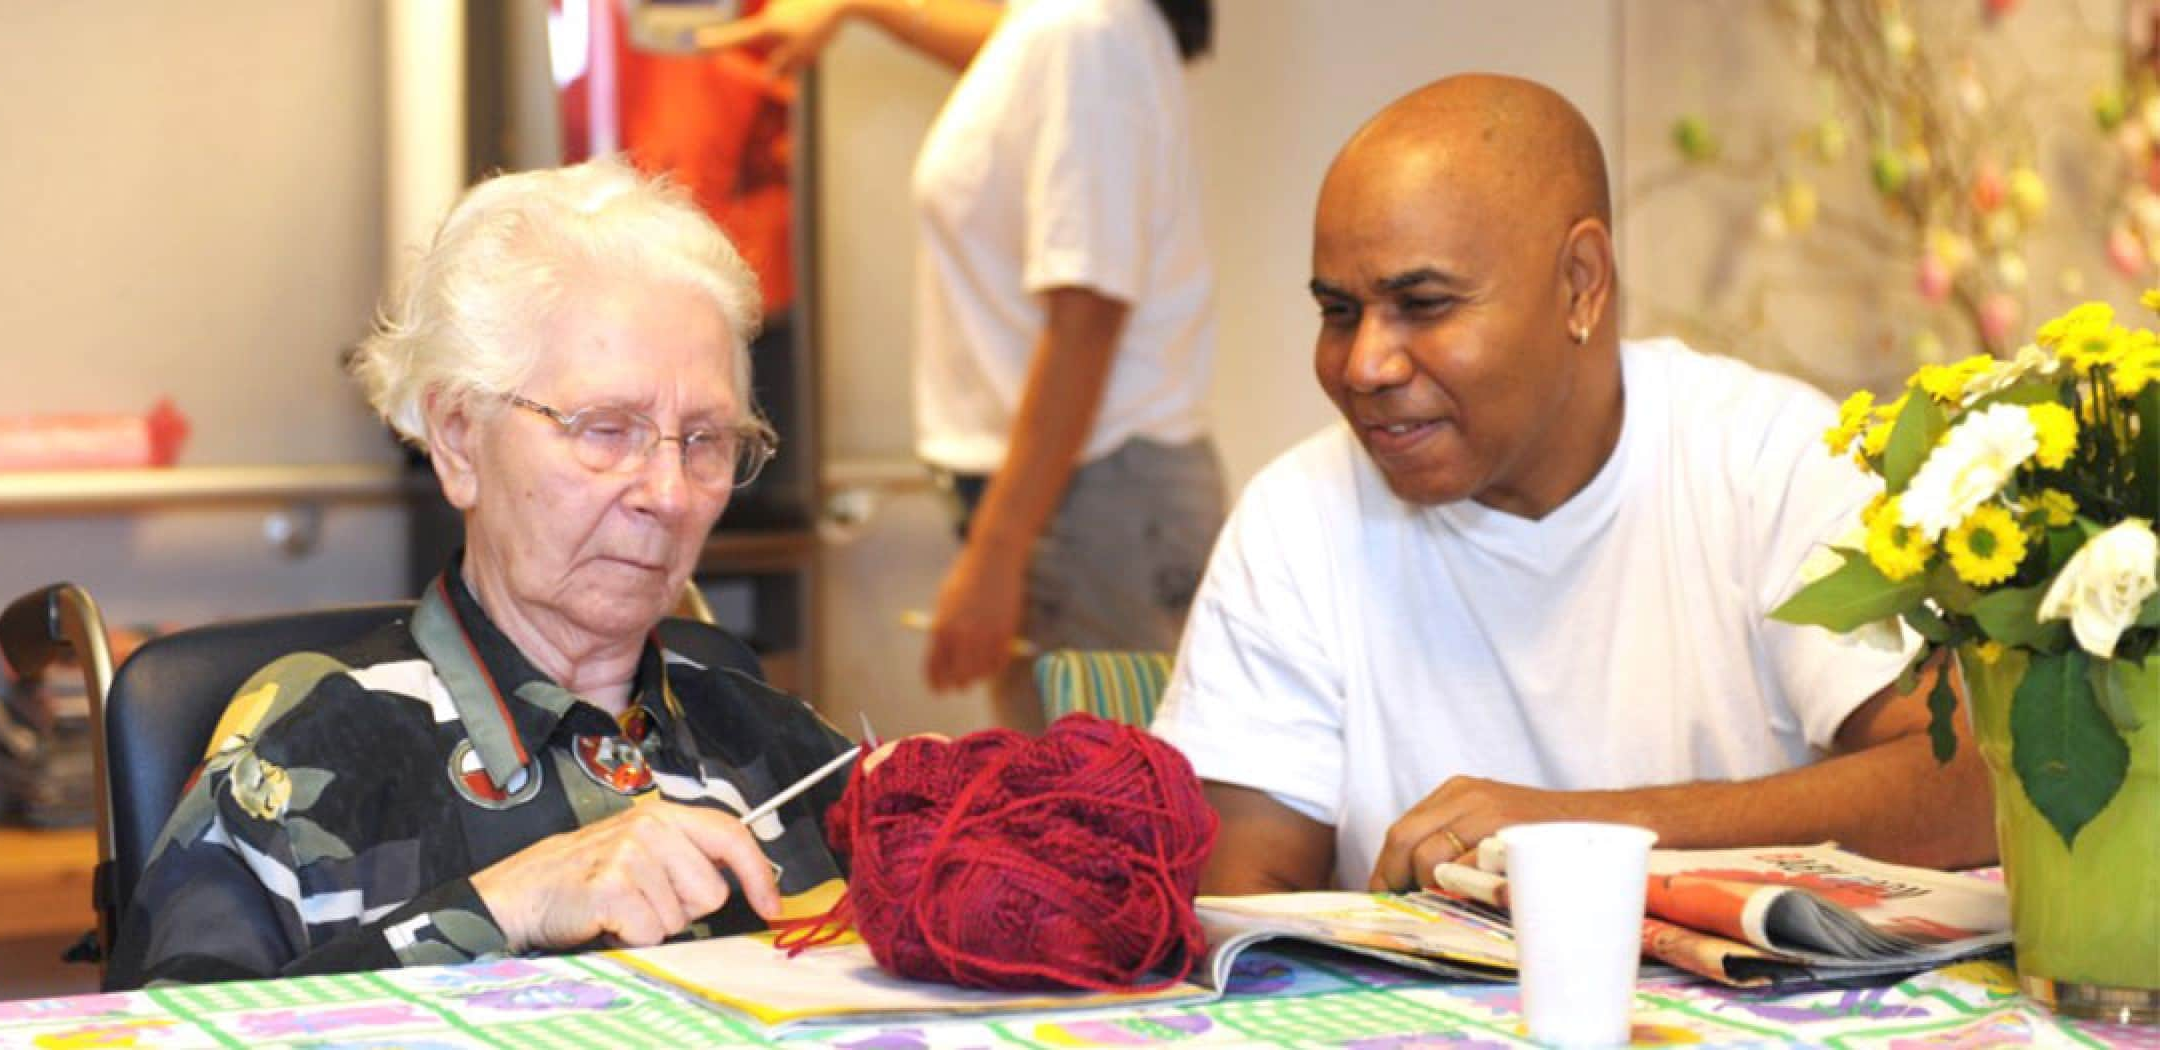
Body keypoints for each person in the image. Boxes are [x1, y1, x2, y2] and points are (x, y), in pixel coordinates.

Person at [1148, 74, 1998, 895]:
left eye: (1425, 304)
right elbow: (1244, 899)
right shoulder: (1294, 520)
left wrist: (1576, 835)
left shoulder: (1773, 461)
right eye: (1338, 313)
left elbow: (1967, 791)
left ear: (1580, 283)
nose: (1363, 364)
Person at [107, 157, 854, 986]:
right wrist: (506, 908)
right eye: (607, 429)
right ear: (460, 440)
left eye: (707, 440)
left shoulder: (777, 747)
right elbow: (165, 1025)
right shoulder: (317, 748)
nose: (670, 494)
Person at [701, 0, 1225, 733]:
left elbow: (1088, 320)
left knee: (1104, 820)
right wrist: (860, 7)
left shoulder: (1084, 32)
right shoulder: (1058, 31)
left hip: (1093, 503)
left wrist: (996, 556)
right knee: (1062, 807)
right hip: (1075, 497)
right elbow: (1014, 60)